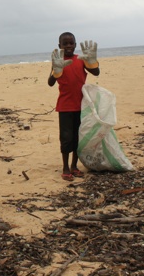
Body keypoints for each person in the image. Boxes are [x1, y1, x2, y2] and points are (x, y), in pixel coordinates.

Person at [48, 32, 100, 181]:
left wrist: (92, 61)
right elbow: (50, 82)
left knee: (78, 137)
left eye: (71, 43)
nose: (68, 46)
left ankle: (74, 166)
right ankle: (65, 167)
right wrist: (56, 71)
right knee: (66, 138)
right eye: (65, 44)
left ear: (75, 45)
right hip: (64, 107)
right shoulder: (57, 60)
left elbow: (96, 72)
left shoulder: (80, 60)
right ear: (60, 46)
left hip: (81, 106)